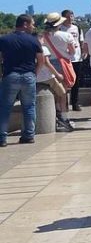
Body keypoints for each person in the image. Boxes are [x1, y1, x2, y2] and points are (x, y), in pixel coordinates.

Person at [0, 15, 50, 146]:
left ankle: (2, 138)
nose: (34, 26)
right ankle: (28, 135)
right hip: (28, 75)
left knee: (5, 107)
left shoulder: (4, 39)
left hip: (10, 75)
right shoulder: (34, 41)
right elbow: (41, 60)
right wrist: (34, 74)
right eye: (32, 24)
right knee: (29, 107)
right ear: (25, 24)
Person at [39, 14, 75, 132]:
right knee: (63, 93)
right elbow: (72, 51)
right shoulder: (66, 36)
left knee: (53, 93)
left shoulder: (42, 37)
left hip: (47, 64)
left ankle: (55, 117)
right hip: (62, 64)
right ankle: (64, 118)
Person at [58, 9, 85, 111]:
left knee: (76, 82)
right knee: (64, 82)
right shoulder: (60, 29)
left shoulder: (77, 28)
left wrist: (83, 52)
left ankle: (75, 102)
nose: (70, 19)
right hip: (65, 59)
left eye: (72, 16)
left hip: (77, 58)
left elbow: (81, 41)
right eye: (68, 17)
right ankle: (64, 104)